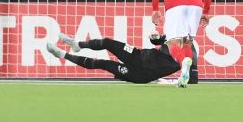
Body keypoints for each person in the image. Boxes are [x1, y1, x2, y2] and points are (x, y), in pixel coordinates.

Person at [45, 33, 182, 84]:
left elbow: (183, 63)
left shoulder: (183, 55)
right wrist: (155, 38)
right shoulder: (174, 34)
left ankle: (62, 54)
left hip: (140, 74)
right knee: (107, 42)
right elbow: (159, 41)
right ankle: (78, 45)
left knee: (102, 63)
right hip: (137, 55)